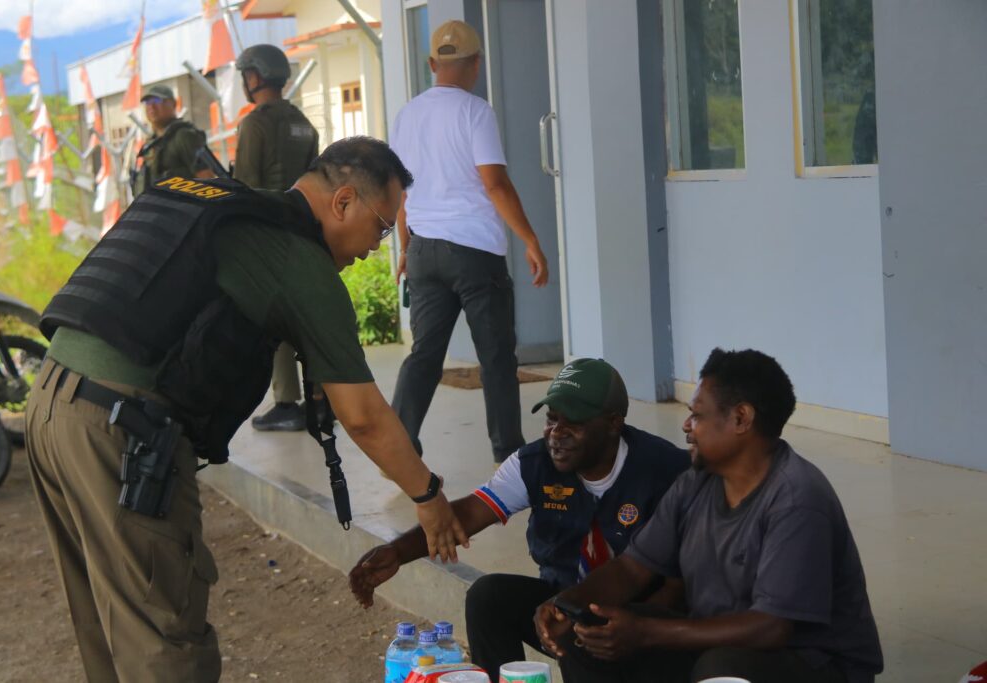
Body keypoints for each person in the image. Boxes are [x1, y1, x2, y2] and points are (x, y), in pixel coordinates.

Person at [26, 136, 468, 683]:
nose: (378, 248)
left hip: (52, 402)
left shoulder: (221, 205)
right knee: (164, 638)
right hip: (120, 431)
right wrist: (428, 497)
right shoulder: (298, 261)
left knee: (108, 624)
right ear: (343, 201)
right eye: (382, 227)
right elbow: (363, 416)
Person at [534, 348, 884, 683]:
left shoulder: (797, 499)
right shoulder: (695, 483)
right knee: (590, 633)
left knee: (722, 668)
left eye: (698, 415)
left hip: (813, 664)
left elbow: (772, 627)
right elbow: (631, 569)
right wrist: (567, 604)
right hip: (718, 643)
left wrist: (645, 632)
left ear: (741, 418)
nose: (687, 425)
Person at [350, 358, 690, 680]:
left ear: (614, 423)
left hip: (641, 617)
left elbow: (682, 583)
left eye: (573, 423)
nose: (557, 433)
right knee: (488, 597)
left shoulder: (666, 471)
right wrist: (397, 552)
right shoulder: (533, 463)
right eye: (552, 419)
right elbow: (468, 513)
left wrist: (634, 627)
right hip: (560, 606)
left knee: (580, 627)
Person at [390, 19, 550, 465]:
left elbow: (399, 191)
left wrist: (405, 248)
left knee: (424, 354)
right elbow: (495, 184)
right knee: (496, 357)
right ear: (476, 63)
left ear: (431, 64)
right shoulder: (476, 112)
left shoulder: (407, 115)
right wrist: (531, 240)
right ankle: (508, 452)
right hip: (474, 253)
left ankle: (398, 446)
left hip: (423, 250)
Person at [231, 43, 323, 432]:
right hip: (304, 231)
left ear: (254, 76)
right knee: (309, 317)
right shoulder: (304, 122)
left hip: (268, 233)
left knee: (276, 319)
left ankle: (287, 402)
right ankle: (321, 398)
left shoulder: (255, 124)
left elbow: (245, 187)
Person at [131, 84, 211, 196]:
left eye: (157, 100)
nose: (151, 106)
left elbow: (207, 178)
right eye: (148, 102)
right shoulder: (150, 145)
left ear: (173, 104)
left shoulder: (184, 136)